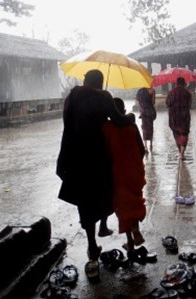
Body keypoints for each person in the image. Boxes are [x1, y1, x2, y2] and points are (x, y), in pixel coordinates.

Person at [56, 69, 131, 279]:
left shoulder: (72, 97)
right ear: (101, 82)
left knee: (85, 200)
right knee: (103, 194)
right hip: (98, 156)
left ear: (84, 80)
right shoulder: (104, 96)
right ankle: (102, 227)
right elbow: (118, 120)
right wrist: (130, 117)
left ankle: (91, 244)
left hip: (76, 156)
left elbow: (67, 126)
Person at [102, 98, 147, 252]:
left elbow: (105, 154)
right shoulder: (132, 125)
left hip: (118, 173)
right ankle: (136, 228)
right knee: (135, 201)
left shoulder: (107, 128)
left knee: (123, 207)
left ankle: (130, 241)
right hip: (135, 171)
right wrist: (134, 164)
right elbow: (141, 150)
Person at [166, 77, 192, 160]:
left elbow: (168, 104)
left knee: (176, 133)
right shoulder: (187, 93)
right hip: (184, 116)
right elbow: (189, 105)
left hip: (174, 116)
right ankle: (182, 153)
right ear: (184, 83)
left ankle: (179, 151)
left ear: (176, 83)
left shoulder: (171, 93)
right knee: (184, 133)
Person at [135, 86, 156, 153]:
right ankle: (151, 145)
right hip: (150, 112)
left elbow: (138, 102)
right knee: (150, 127)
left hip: (143, 112)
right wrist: (152, 94)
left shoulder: (139, 91)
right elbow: (153, 103)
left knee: (144, 128)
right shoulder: (152, 90)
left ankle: (145, 146)